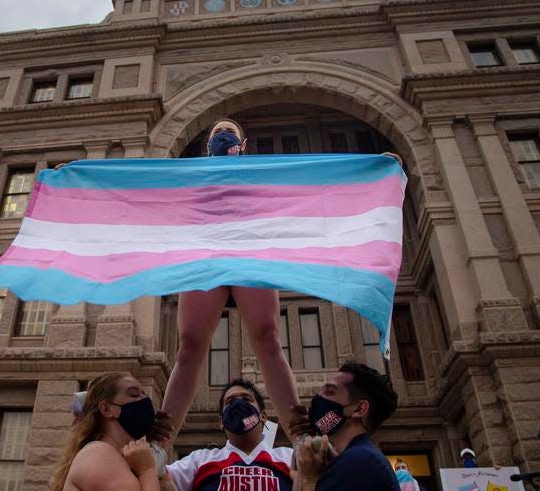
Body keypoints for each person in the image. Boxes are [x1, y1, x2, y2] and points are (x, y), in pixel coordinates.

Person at [159, 118, 305, 442]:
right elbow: (146, 194)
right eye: (216, 132)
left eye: (230, 132)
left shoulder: (259, 175)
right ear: (206, 144)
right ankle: (160, 441)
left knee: (268, 338)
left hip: (249, 251)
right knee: (189, 347)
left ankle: (301, 435)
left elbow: (306, 183)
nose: (222, 136)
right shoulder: (190, 177)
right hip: (204, 256)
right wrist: (82, 181)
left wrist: (374, 170)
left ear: (244, 144)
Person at [165, 378, 294, 491]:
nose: (238, 404)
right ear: (221, 421)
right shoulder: (198, 461)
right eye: (230, 402)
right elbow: (157, 478)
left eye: (246, 399)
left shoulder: (290, 458)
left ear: (264, 416)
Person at [292, 361, 400, 491]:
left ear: (359, 409)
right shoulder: (359, 458)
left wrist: (309, 480)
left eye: (330, 392)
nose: (318, 398)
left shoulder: (360, 461)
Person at [53, 372, 164, 491]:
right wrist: (146, 470)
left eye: (145, 394)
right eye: (134, 394)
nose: (146, 400)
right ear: (106, 409)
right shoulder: (98, 454)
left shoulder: (126, 457)